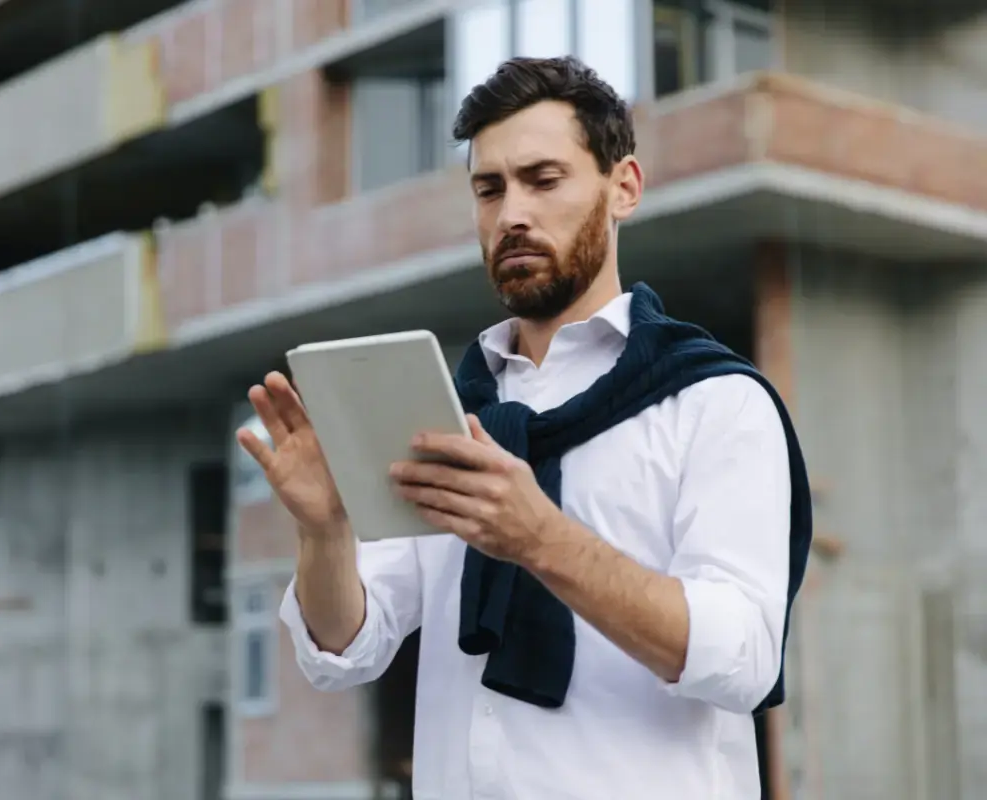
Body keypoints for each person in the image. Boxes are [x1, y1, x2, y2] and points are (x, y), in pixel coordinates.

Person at [237, 55, 810, 800]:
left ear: (623, 188)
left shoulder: (715, 403)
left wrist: (540, 538)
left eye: (543, 180)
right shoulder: (447, 414)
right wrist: (323, 533)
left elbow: (745, 658)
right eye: (490, 189)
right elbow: (347, 648)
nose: (512, 213)